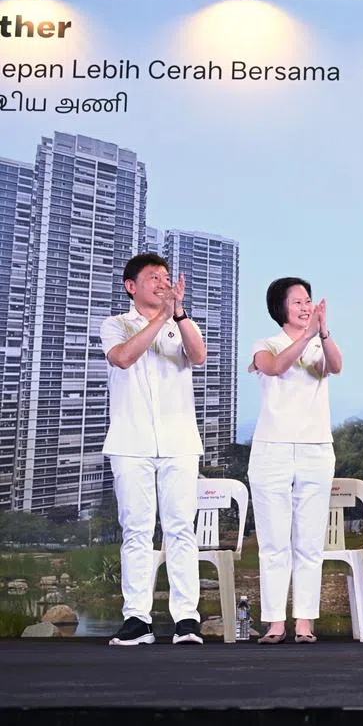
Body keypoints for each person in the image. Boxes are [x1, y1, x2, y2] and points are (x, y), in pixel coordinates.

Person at [100, 253, 207, 646]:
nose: (163, 283)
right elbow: (123, 358)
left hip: (179, 441)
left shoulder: (182, 324)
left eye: (166, 277)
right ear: (131, 286)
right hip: (131, 443)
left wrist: (176, 315)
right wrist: (160, 318)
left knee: (180, 529)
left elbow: (198, 356)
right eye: (153, 278)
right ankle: (137, 619)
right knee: (138, 531)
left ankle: (186, 619)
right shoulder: (115, 324)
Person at [247, 277, 342, 644]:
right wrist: (306, 337)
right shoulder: (264, 344)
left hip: (316, 448)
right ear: (280, 308)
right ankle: (274, 622)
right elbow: (274, 367)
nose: (306, 307)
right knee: (273, 540)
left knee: (309, 540)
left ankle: (304, 622)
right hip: (272, 449)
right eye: (298, 302)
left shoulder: (320, 343)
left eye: (309, 301)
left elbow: (336, 365)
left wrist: (324, 332)